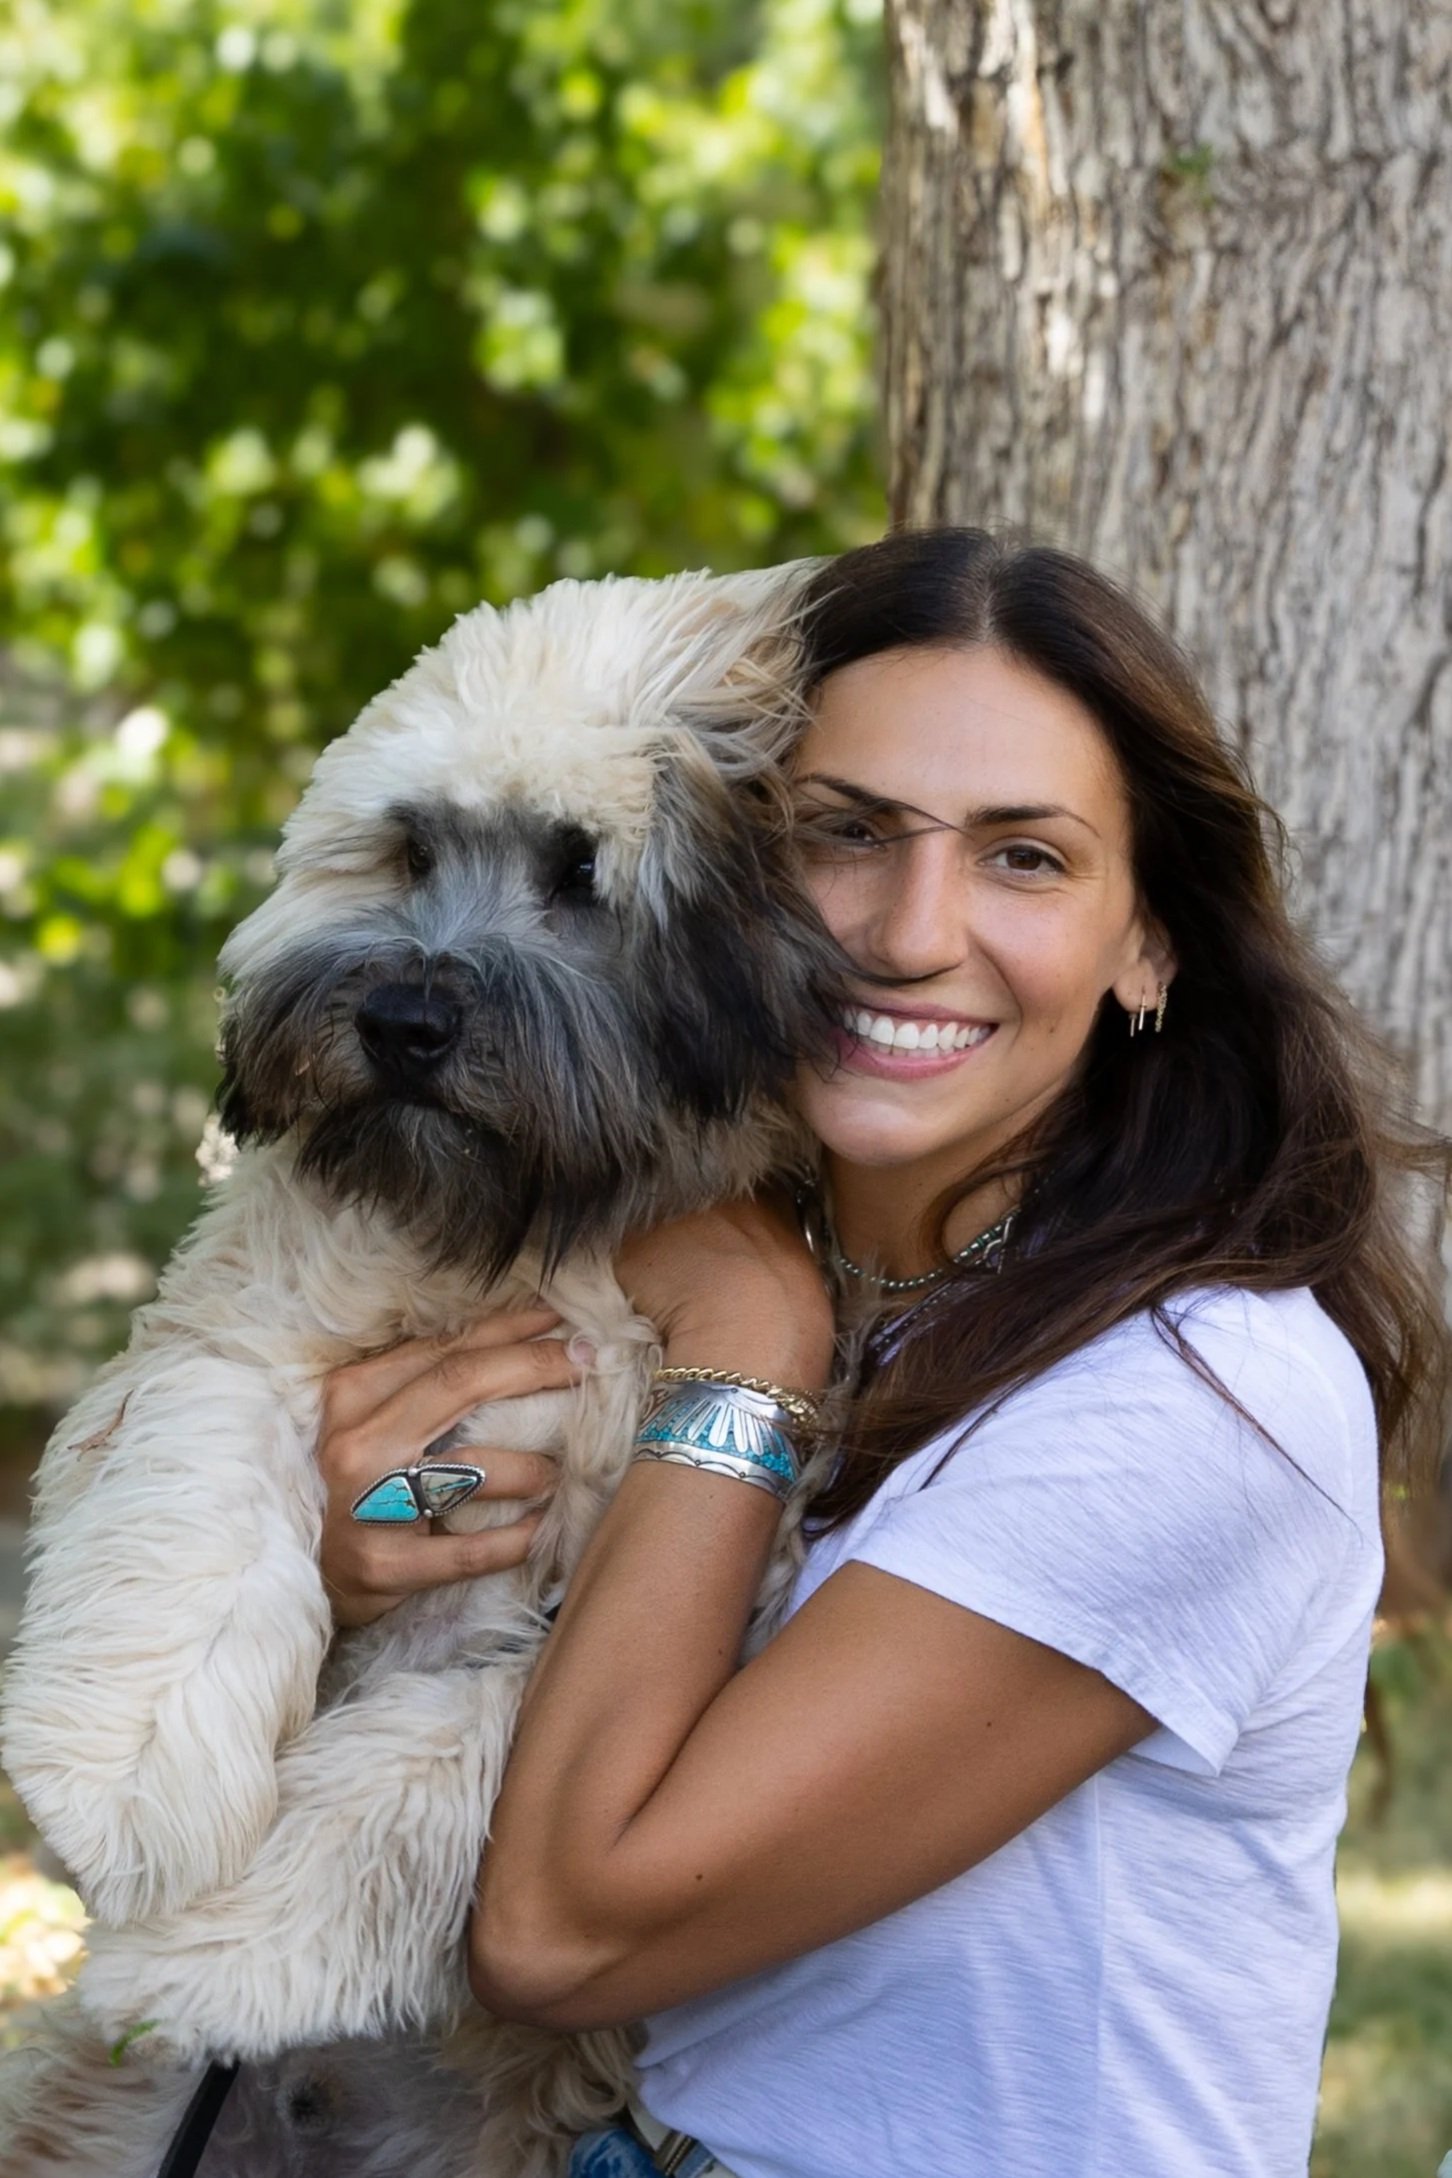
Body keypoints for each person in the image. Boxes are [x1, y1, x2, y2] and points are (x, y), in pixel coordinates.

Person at [316, 529, 1449, 2178]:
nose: (910, 933)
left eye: (1026, 858)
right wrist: (372, 1537)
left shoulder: (1191, 1396)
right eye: (845, 833)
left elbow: (562, 1926)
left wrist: (749, 1350)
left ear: (1150, 944)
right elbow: (481, 1574)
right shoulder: (760, 1259)